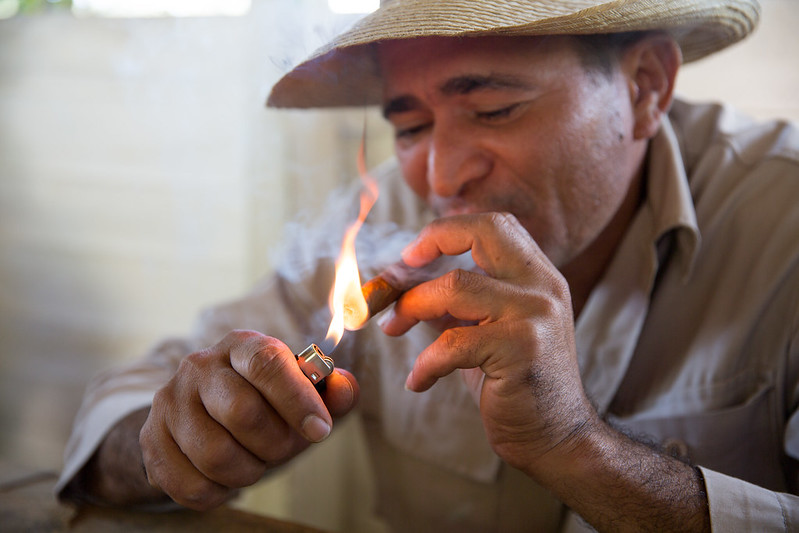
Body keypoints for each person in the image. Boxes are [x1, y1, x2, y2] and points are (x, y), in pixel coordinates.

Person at [56, 0, 799, 530]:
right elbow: (116, 422)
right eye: (410, 125)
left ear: (644, 87)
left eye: (494, 109)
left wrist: (575, 448)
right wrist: (179, 441)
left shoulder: (782, 228)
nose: (441, 177)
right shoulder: (386, 223)